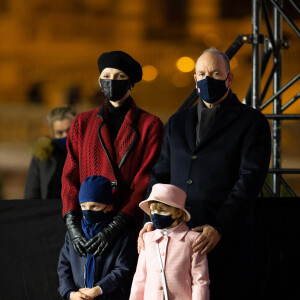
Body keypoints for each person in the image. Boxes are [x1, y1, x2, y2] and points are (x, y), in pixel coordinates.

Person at [139, 48, 271, 300]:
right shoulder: (177, 122)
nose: (207, 79)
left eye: (214, 73)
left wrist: (219, 226)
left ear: (229, 79)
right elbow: (161, 175)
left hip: (227, 242)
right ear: (195, 79)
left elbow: (250, 179)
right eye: (201, 74)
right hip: (176, 242)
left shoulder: (252, 123)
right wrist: (149, 220)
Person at [61, 51, 164, 258]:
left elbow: (146, 181)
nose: (111, 82)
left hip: (127, 227)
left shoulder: (150, 125)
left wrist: (118, 224)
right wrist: (73, 226)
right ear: (99, 81)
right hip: (87, 226)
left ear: (131, 83)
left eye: (119, 77)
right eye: (106, 76)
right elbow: (69, 177)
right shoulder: (82, 123)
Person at [58, 175, 137, 300]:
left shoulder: (122, 234)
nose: (87, 211)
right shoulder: (73, 234)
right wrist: (70, 293)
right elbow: (63, 267)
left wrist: (98, 290)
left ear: (109, 206)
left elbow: (123, 269)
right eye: (83, 206)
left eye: (95, 206)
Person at [130, 183, 210, 300]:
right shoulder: (148, 239)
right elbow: (140, 278)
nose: (155, 216)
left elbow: (200, 281)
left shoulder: (193, 240)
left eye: (162, 211)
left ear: (178, 212)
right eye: (152, 211)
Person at [24, 106, 76, 199]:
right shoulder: (42, 154)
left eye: (69, 131)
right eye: (59, 133)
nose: (65, 136)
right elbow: (32, 192)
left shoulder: (85, 153)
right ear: (53, 133)